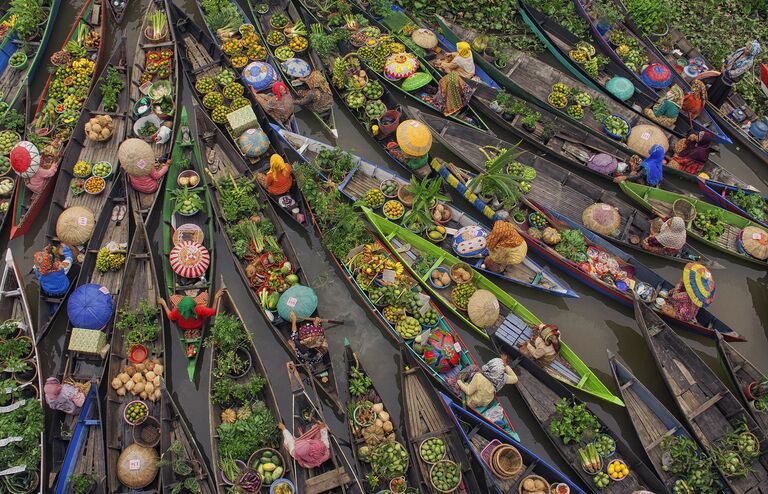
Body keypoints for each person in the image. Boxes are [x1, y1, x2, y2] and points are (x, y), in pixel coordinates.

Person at [157, 288, 224, 356]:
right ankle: (192, 350)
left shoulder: (178, 310)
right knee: (204, 296)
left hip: (184, 328)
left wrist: (164, 303)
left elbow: (170, 316)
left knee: (173, 297)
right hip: (198, 326)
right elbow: (213, 311)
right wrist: (216, 297)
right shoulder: (198, 308)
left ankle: (191, 351)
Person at [707, 40, 762, 107]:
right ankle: (707, 98)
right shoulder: (741, 50)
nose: (745, 49)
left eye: (748, 49)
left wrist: (726, 72)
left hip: (729, 78)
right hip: (724, 72)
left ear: (751, 53)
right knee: (715, 86)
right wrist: (724, 64)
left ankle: (711, 105)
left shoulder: (749, 62)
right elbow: (731, 56)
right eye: (747, 47)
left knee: (719, 92)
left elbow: (738, 72)